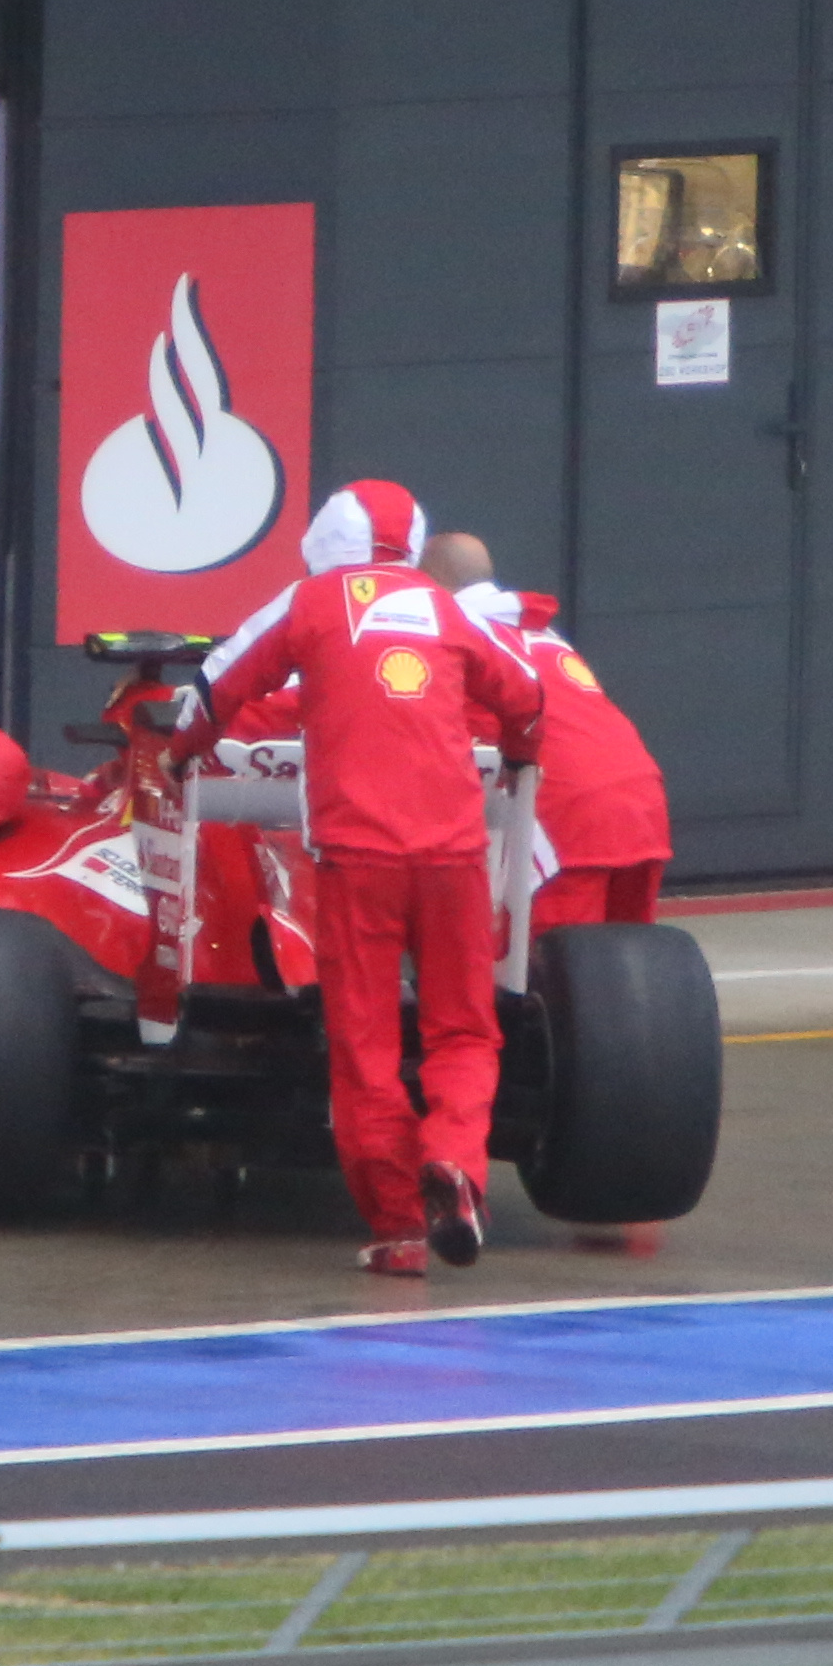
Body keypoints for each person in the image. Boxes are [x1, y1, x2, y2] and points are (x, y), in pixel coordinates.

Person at [194, 479, 550, 1278]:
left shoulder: (310, 602)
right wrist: (522, 758)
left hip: (358, 859)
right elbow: (526, 699)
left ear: (325, 539)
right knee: (463, 1030)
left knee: (366, 1047)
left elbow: (218, 689)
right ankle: (454, 1160)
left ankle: (399, 1230)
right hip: (455, 854)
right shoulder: (447, 607)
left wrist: (181, 750)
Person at [445, 539, 682, 1257]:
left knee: (539, 1016)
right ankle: (625, 1167)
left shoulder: (447, 638)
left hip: (566, 822)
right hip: (640, 803)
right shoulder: (541, 633)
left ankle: (460, 1175)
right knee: (622, 1024)